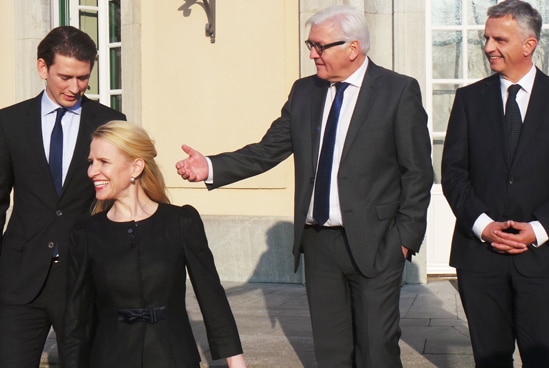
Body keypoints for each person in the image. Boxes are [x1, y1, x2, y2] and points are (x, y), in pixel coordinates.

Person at [176, 5, 433, 367]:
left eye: (319, 46)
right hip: (318, 245)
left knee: (378, 350)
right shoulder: (304, 92)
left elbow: (418, 173)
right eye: (309, 45)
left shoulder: (398, 91)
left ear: (353, 48)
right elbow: (267, 151)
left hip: (377, 244)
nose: (311, 54)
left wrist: (404, 241)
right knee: (330, 353)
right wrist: (212, 166)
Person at [441, 1, 549, 367]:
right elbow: (453, 173)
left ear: (529, 44)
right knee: (490, 359)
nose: (489, 46)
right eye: (486, 37)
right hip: (479, 259)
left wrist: (538, 229)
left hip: (542, 257)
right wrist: (483, 226)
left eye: (499, 39)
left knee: (544, 357)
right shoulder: (468, 99)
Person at [62, 121, 247, 368]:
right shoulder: (86, 233)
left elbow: (211, 297)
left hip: (173, 357)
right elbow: (75, 319)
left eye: (103, 162)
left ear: (136, 167)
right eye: (91, 162)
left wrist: (236, 361)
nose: (92, 171)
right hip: (109, 359)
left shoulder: (181, 222)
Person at [0, 26, 125, 367]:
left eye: (83, 78)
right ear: (43, 68)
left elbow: (120, 200)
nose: (75, 87)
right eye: (66, 76)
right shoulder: (8, 123)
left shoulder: (111, 122)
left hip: (85, 277)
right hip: (20, 278)